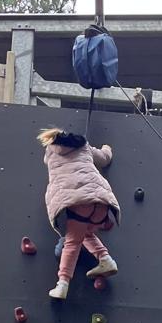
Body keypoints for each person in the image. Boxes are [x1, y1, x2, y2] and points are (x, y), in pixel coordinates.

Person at [39, 127, 120, 300]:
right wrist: (107, 148)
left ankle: (62, 284)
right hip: (100, 202)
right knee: (84, 232)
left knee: (72, 243)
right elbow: (104, 159)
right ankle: (106, 260)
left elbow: (47, 161)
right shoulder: (84, 146)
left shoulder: (51, 152)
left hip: (77, 203)